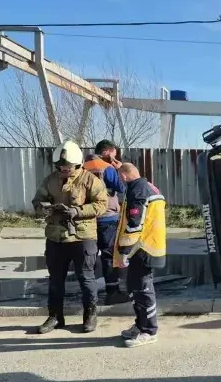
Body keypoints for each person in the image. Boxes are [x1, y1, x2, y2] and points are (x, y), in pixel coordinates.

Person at [31, 140, 108, 334]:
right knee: (55, 280)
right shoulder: (50, 180)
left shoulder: (90, 180)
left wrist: (77, 211)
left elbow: (101, 204)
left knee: (86, 278)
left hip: (82, 238)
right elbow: (38, 199)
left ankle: (90, 315)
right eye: (61, 167)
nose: (64, 170)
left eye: (68, 167)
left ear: (78, 164)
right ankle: (55, 316)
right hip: (56, 237)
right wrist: (43, 208)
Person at [113, 163, 166, 348]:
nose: (121, 181)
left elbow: (135, 224)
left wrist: (123, 251)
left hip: (142, 248)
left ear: (124, 177)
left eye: (120, 178)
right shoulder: (148, 185)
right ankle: (140, 325)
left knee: (143, 291)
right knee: (137, 288)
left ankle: (149, 331)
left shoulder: (137, 190)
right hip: (147, 247)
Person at [83, 140, 129, 305]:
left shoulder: (82, 166)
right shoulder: (106, 167)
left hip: (86, 218)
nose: (115, 157)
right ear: (108, 152)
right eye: (114, 154)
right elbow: (123, 188)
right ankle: (112, 293)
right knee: (109, 256)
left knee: (88, 256)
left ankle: (89, 295)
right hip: (107, 217)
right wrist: (120, 168)